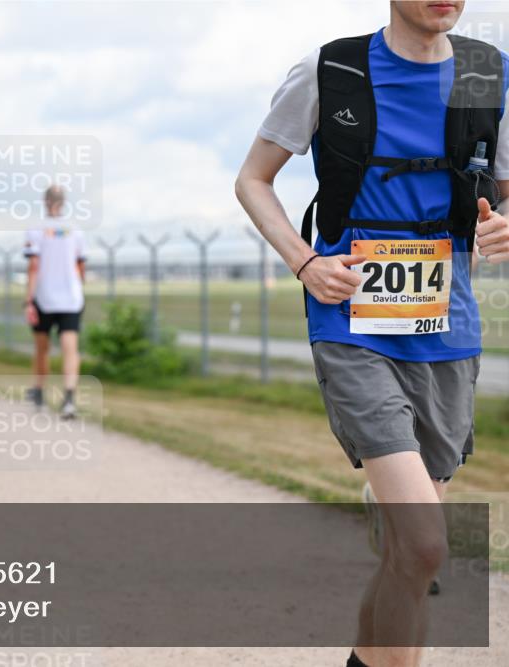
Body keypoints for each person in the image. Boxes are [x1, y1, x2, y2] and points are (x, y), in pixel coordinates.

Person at [236, 3, 509, 666]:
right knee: (424, 544)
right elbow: (253, 179)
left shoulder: (487, 74)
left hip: (447, 326)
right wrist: (305, 261)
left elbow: (502, 193)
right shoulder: (328, 68)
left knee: (407, 558)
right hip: (350, 318)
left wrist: (504, 220)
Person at [23, 185, 86, 419]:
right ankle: (69, 398)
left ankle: (39, 390)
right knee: (71, 348)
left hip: (44, 297)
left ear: (44, 201)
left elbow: (33, 266)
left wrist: (28, 299)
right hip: (71, 298)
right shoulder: (75, 230)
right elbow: (81, 266)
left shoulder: (36, 230)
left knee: (42, 348)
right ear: (64, 202)